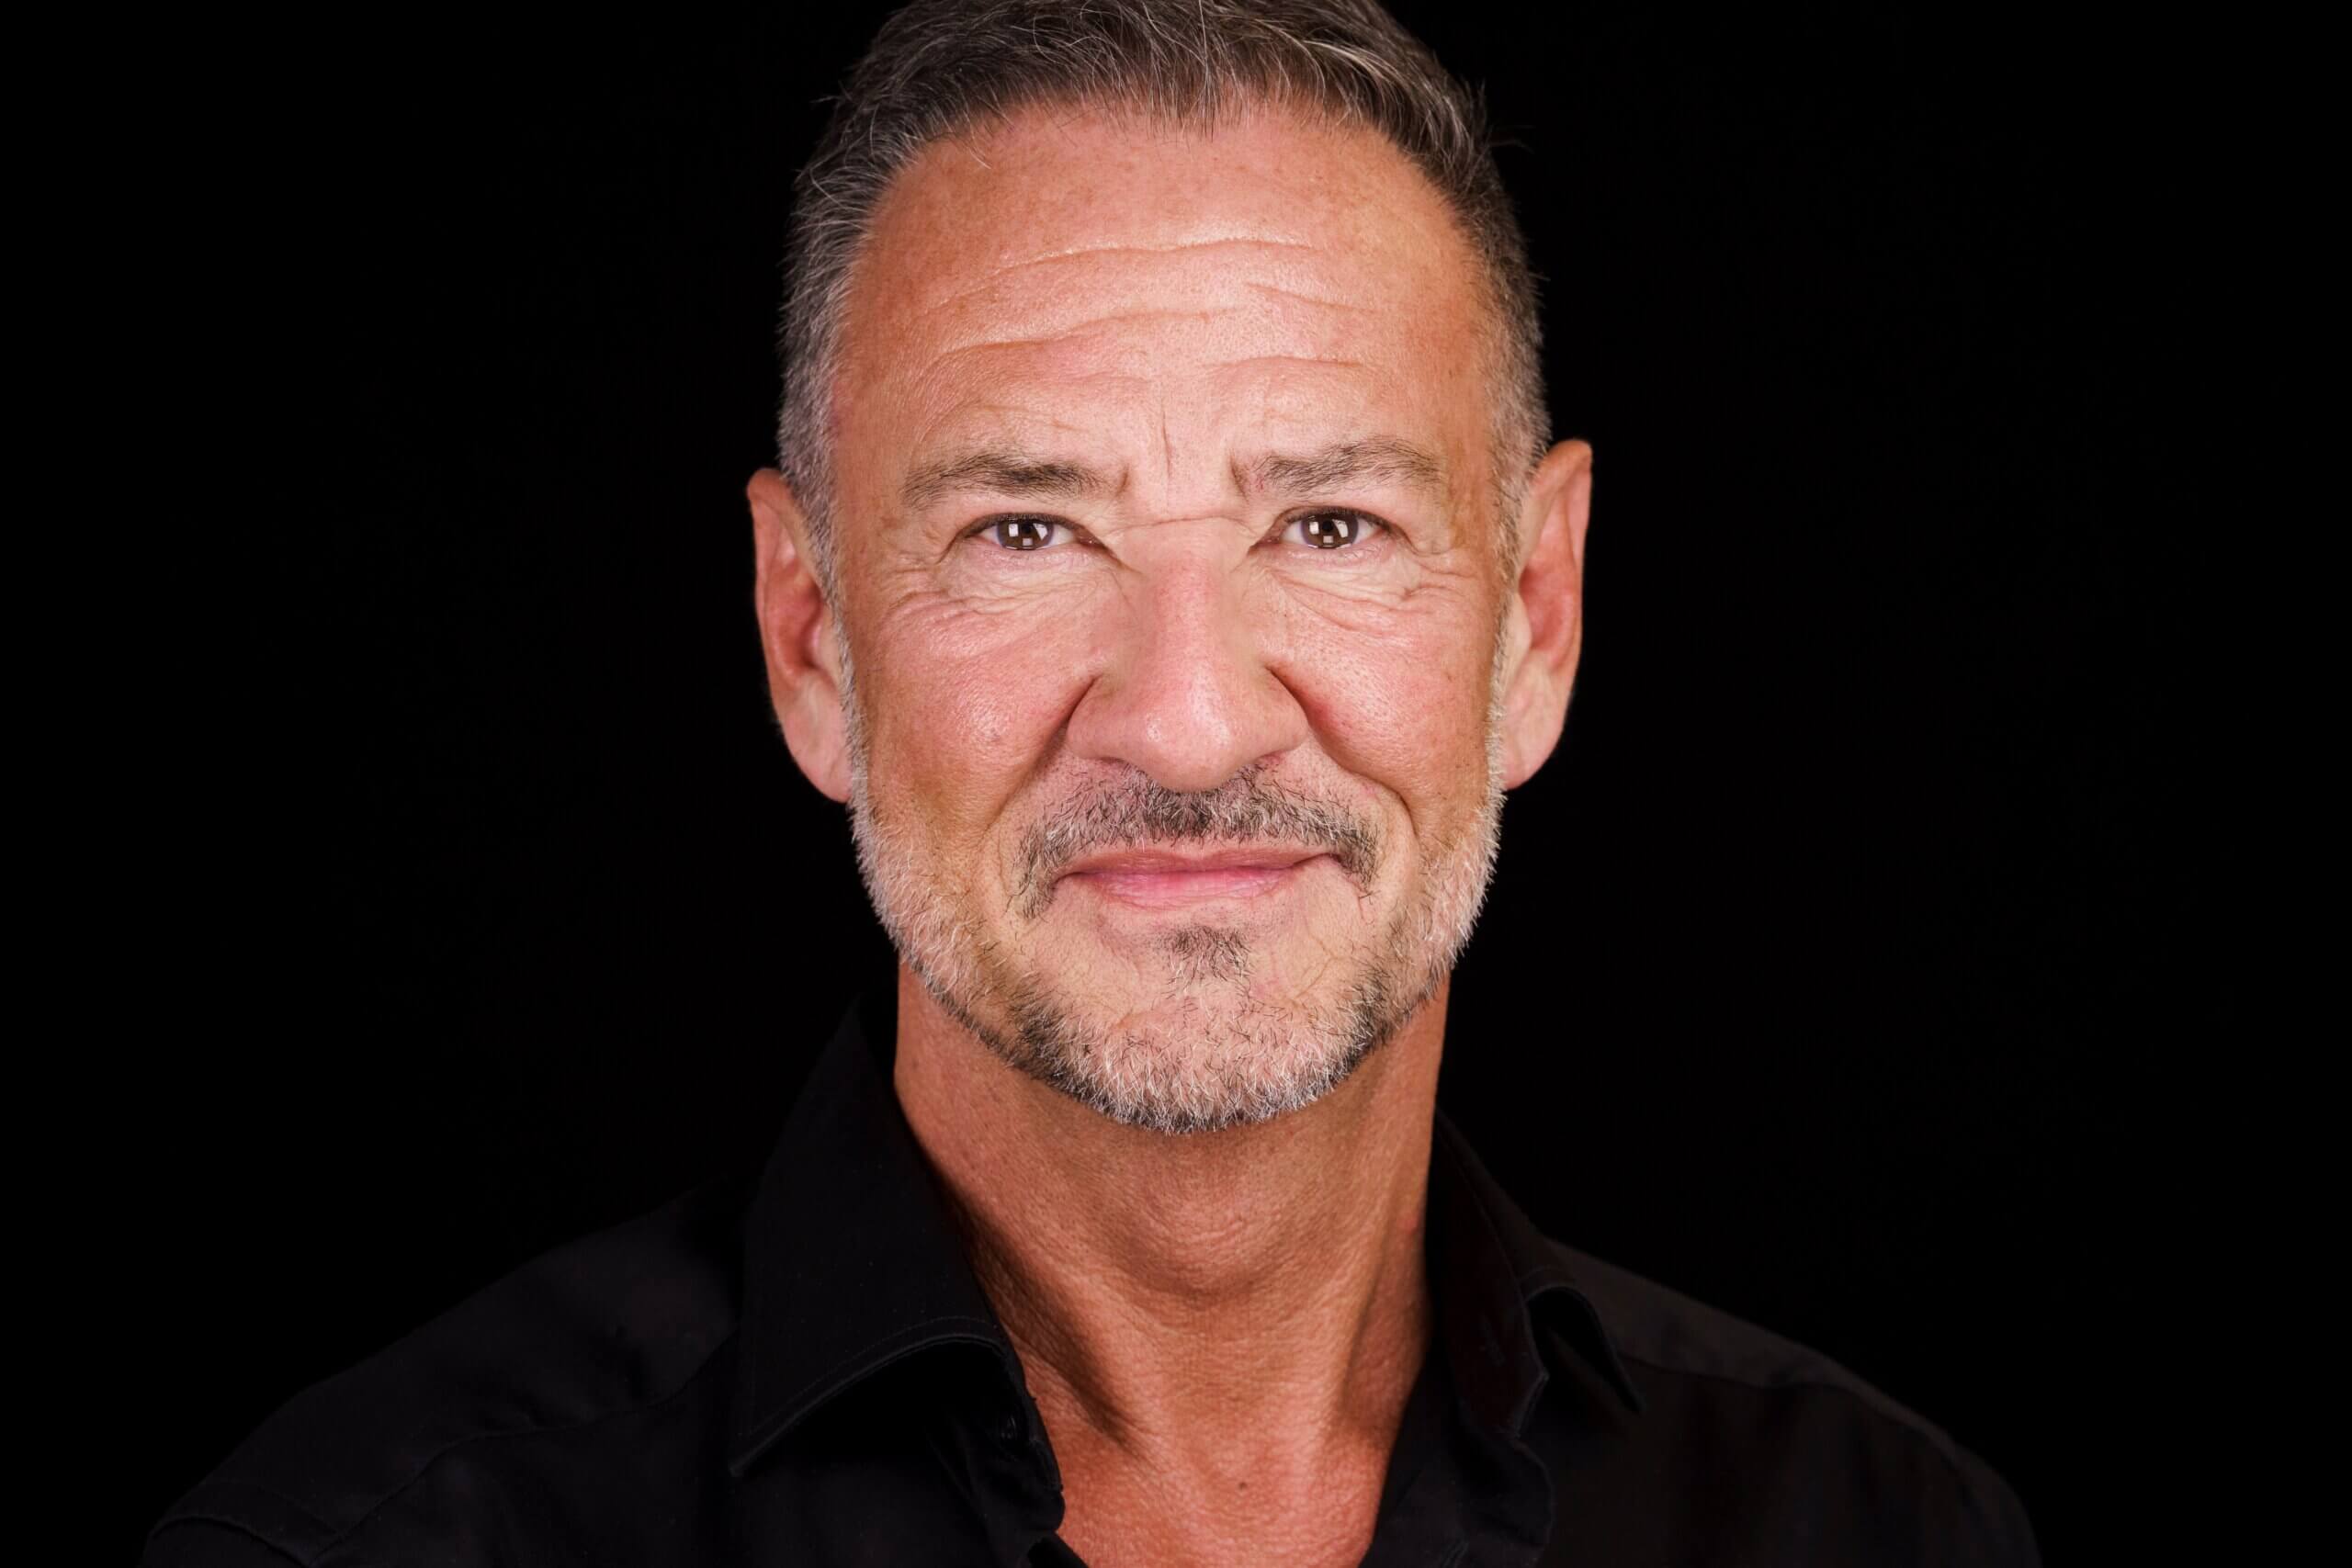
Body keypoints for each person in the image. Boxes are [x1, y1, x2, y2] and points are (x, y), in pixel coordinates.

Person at [148, 2, 2039, 1563]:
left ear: (1535, 621)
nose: (1189, 724)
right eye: (1026, 531)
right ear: (809, 641)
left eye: (1329, 522)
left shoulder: (1878, 1529)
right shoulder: (374, 1542)